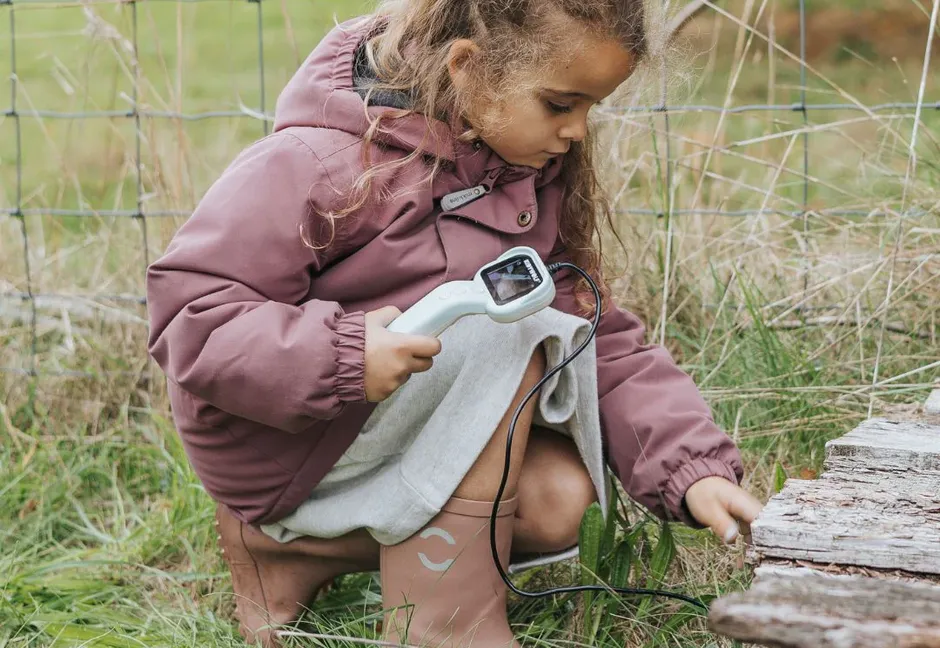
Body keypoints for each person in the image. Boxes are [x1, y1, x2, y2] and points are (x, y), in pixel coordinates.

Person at [146, 1, 763, 646]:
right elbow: (192, 314)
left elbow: (590, 328)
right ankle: (446, 626)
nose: (578, 131)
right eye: (560, 104)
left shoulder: (520, 172)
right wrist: (345, 355)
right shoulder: (318, 161)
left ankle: (291, 555)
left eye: (591, 108)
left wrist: (693, 468)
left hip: (372, 428)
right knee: (508, 331)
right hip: (285, 438)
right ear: (467, 68)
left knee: (558, 502)